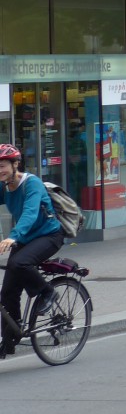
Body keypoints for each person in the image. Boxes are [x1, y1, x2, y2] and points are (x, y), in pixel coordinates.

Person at [0, 143, 64, 359]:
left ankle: (47, 292)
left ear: (15, 164)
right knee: (7, 293)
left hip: (48, 236)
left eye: (3, 165)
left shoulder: (32, 184)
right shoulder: (3, 187)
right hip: (25, 239)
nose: (0, 170)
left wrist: (12, 236)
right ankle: (10, 337)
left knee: (20, 263)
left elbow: (29, 213)